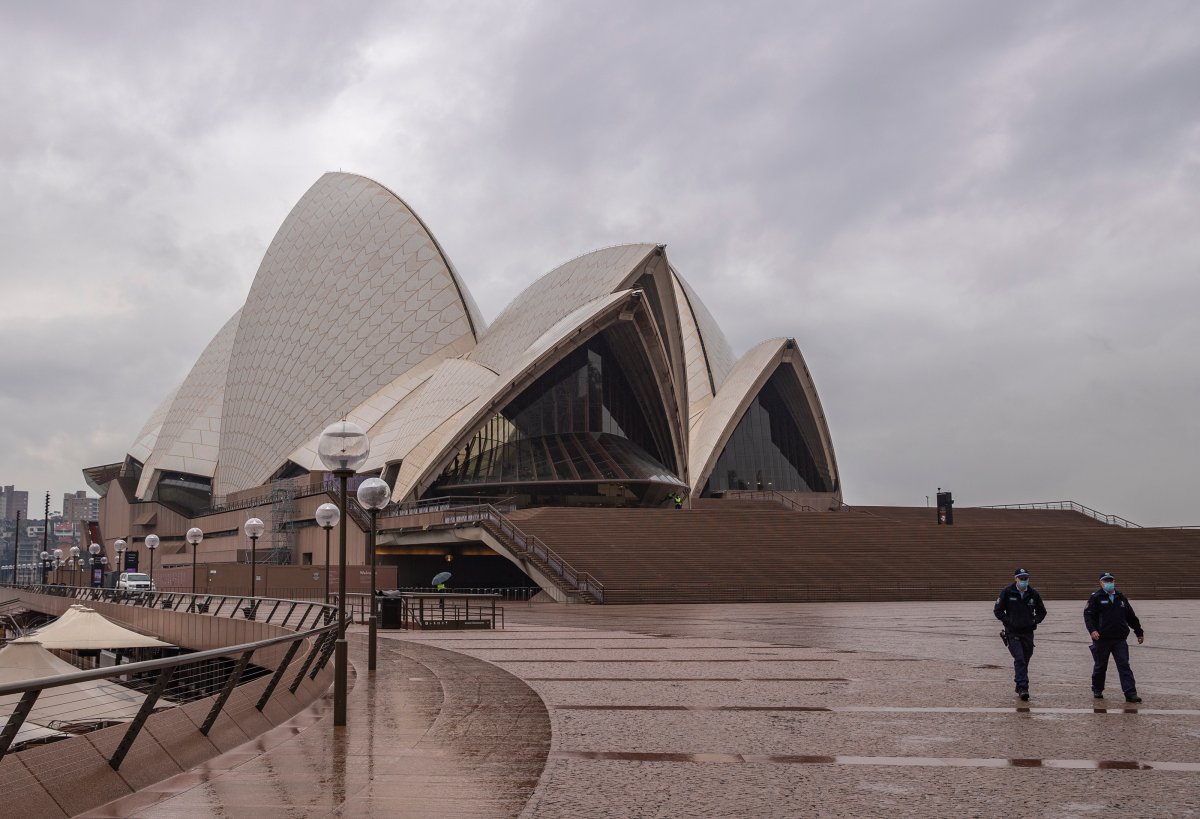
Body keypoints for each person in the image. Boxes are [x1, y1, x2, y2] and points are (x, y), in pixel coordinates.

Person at [1084, 572, 1144, 703]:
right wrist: (1092, 630)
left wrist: (1138, 632)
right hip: (1101, 639)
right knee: (1100, 666)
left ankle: (1130, 693)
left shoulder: (1121, 598)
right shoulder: (1096, 597)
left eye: (1110, 580)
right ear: (1101, 583)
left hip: (1119, 639)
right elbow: (1088, 616)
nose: (1109, 583)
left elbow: (1131, 617)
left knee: (1124, 665)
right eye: (1106, 581)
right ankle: (1097, 689)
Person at [993, 568, 1047, 700]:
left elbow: (1042, 611)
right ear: (1015, 579)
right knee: (1019, 659)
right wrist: (1009, 622)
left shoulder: (1033, 593)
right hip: (1013, 633)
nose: (1024, 581)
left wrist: (1034, 621)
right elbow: (998, 610)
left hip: (1028, 633)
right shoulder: (1007, 591)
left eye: (1026, 578)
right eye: (1021, 578)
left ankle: (1019, 682)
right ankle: (1023, 688)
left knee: (1025, 659)